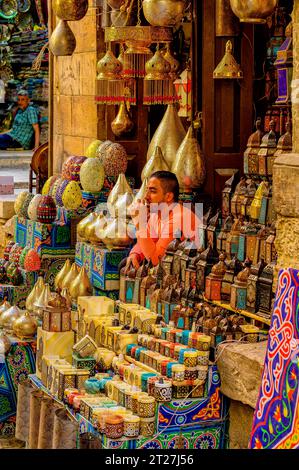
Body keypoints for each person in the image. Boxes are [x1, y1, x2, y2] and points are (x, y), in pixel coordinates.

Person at [126, 170, 202, 269]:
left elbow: (156, 260)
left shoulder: (179, 218)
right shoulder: (156, 213)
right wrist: (135, 254)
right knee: (127, 264)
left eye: (152, 191)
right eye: (147, 190)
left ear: (169, 196)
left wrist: (140, 223)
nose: (146, 196)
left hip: (186, 270)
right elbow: (148, 240)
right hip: (165, 264)